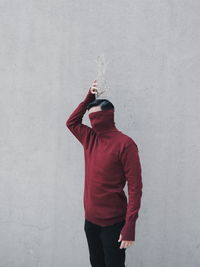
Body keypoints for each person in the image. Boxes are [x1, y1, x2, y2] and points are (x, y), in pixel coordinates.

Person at [66, 80, 143, 267]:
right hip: (90, 221)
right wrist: (89, 97)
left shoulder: (125, 144)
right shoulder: (89, 137)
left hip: (114, 224)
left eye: (96, 116)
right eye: (90, 116)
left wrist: (129, 226)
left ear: (109, 115)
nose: (92, 121)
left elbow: (135, 187)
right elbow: (71, 122)